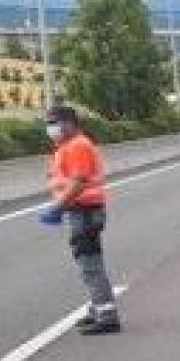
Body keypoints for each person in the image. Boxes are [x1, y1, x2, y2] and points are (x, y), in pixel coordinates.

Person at [41, 106, 120, 335]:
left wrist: (57, 207)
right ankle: (99, 308)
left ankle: (107, 317)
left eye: (54, 123)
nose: (50, 128)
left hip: (84, 211)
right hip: (79, 211)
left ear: (70, 123)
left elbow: (78, 182)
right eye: (48, 123)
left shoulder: (78, 145)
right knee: (86, 262)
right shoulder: (66, 146)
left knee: (90, 264)